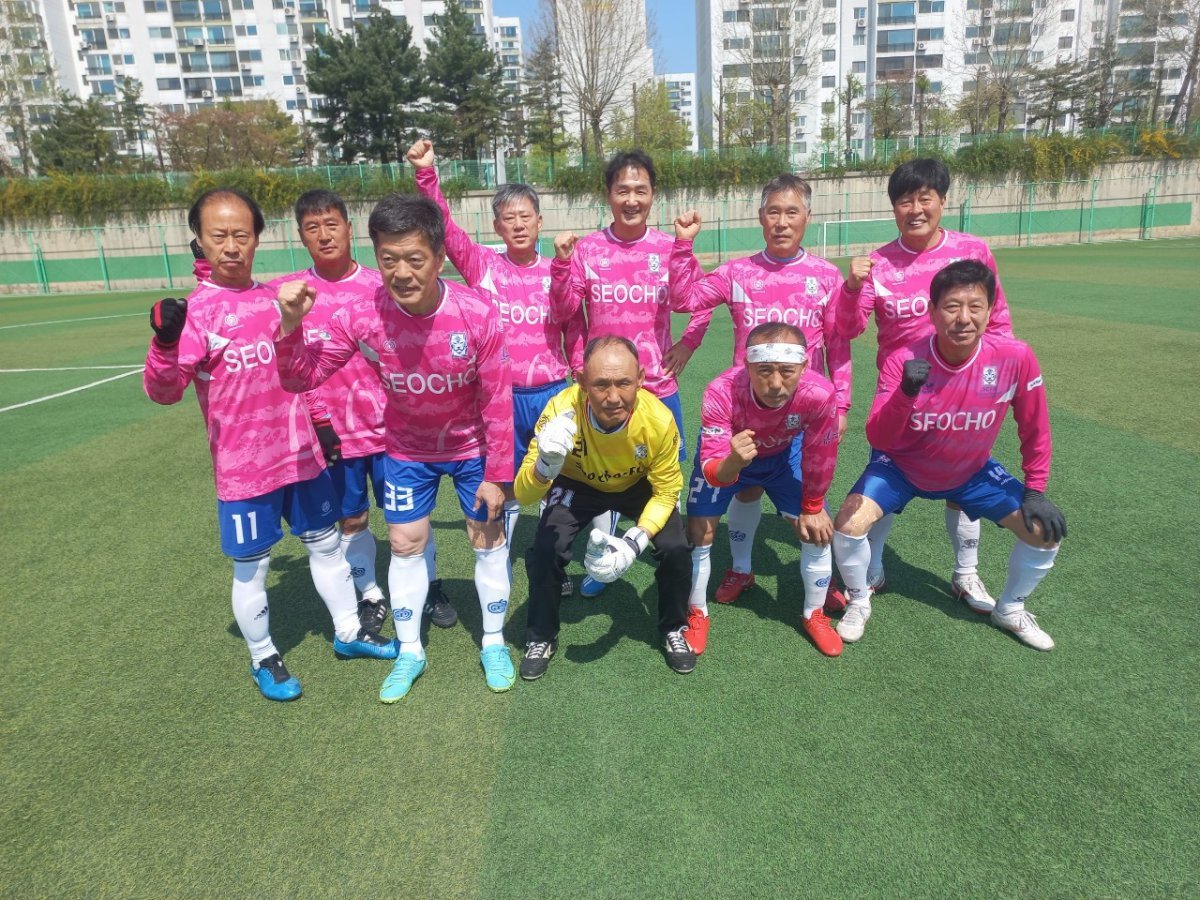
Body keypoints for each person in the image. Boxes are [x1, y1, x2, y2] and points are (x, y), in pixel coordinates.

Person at [143, 188, 397, 703]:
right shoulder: (195, 314)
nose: (232, 246)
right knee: (253, 567)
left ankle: (349, 632)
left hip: (302, 457)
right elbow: (164, 391)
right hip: (244, 470)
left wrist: (323, 427)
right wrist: (164, 344)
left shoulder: (279, 300)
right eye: (219, 236)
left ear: (258, 237)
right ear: (200, 242)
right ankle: (264, 657)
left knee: (327, 547)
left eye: (242, 234)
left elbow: (306, 376)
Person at [273, 194, 516, 701]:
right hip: (406, 448)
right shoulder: (363, 315)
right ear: (376, 255)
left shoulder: (477, 313)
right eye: (388, 259)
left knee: (487, 540)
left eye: (414, 259)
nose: (401, 272)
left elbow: (496, 399)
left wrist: (497, 474)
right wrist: (291, 327)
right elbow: (302, 377)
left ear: (440, 258)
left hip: (471, 449)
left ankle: (493, 642)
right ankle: (410, 651)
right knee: (405, 543)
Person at [832, 259, 1066, 650]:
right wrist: (906, 394)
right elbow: (878, 436)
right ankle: (858, 599)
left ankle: (1010, 608)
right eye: (952, 306)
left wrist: (1036, 489)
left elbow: (1035, 427)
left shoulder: (1016, 356)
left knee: (1044, 533)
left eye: (975, 306)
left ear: (991, 311)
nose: (963, 318)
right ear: (932, 310)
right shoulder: (902, 359)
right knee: (847, 524)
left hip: (970, 472)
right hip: (901, 467)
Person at [270, 188, 458, 635]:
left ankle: (428, 587)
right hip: (336, 433)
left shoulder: (386, 280)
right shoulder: (298, 294)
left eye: (331, 224)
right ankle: (372, 595)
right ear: (301, 236)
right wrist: (320, 421)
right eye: (312, 228)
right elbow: (299, 368)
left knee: (409, 519)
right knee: (352, 519)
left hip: (395, 431)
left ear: (350, 228)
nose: (324, 235)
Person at [834, 158, 1016, 613]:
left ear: (943, 201)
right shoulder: (878, 263)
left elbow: (998, 322)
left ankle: (966, 573)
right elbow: (849, 327)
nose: (915, 208)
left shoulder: (972, 251)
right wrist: (853, 287)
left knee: (963, 480)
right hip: (902, 392)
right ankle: (872, 567)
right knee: (889, 476)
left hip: (964, 389)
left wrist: (996, 379)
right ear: (894, 208)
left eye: (924, 198)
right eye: (904, 200)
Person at [670, 174, 852, 606]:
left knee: (807, 509)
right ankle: (741, 569)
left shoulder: (826, 277)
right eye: (774, 212)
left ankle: (819, 586)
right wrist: (683, 246)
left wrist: (840, 402)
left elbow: (839, 345)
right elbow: (683, 299)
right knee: (745, 489)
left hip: (797, 417)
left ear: (807, 217)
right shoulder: (737, 273)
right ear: (760, 218)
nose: (783, 222)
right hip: (743, 414)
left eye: (792, 212)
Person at [549, 149, 709, 596]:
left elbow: (696, 304)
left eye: (641, 190)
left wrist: (687, 344)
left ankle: (652, 551)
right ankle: (605, 556)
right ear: (608, 195)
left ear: (653, 195)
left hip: (657, 387)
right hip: (602, 392)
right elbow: (565, 311)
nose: (632, 198)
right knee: (602, 475)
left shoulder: (669, 246)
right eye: (623, 190)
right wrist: (562, 267)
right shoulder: (588, 249)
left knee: (661, 479)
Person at [408, 139, 571, 562]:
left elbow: (576, 322)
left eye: (525, 216)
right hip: (498, 401)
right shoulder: (483, 265)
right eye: (508, 218)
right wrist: (427, 174)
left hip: (552, 394)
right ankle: (499, 559)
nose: (517, 225)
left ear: (539, 222)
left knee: (560, 481)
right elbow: (444, 226)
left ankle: (554, 559)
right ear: (497, 227)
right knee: (503, 482)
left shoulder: (560, 267)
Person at [514, 335, 695, 679]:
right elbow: (523, 496)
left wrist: (633, 542)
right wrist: (544, 467)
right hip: (578, 483)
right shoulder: (559, 411)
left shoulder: (658, 419)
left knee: (675, 548)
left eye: (624, 383)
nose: (613, 397)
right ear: (581, 382)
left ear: (641, 378)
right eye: (600, 384)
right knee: (544, 550)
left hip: (637, 484)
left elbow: (668, 490)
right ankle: (541, 635)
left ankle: (673, 628)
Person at [685, 323, 842, 656]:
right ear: (747, 366)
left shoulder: (820, 392)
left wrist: (813, 506)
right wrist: (734, 463)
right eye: (763, 371)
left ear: (804, 365)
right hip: (729, 457)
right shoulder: (721, 390)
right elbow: (714, 470)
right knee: (699, 531)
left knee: (815, 529)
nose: (775, 384)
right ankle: (700, 609)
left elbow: (821, 454)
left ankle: (814, 614)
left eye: (787, 372)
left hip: (784, 456)